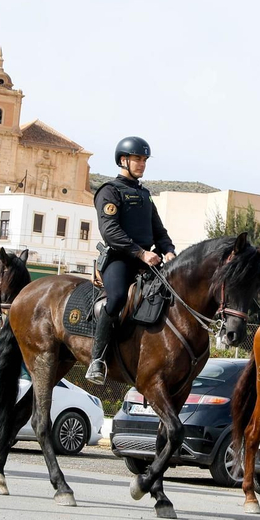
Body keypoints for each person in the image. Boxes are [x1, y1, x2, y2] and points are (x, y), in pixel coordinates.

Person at [86, 136, 175, 384]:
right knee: (115, 299)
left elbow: (159, 231)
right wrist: (140, 252)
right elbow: (110, 232)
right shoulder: (109, 191)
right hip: (120, 258)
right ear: (123, 160)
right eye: (137, 158)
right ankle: (97, 359)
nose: (142, 164)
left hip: (147, 260)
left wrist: (168, 250)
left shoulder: (145, 195)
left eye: (144, 159)